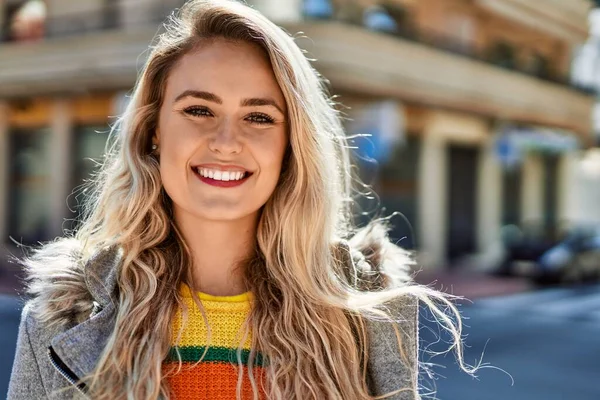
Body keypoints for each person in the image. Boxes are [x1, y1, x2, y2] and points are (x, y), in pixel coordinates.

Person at [7, 1, 473, 399]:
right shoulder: (60, 318)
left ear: (292, 145)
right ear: (153, 132)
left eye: (258, 116)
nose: (226, 141)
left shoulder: (370, 314)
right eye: (198, 110)